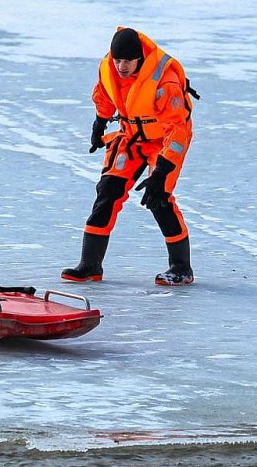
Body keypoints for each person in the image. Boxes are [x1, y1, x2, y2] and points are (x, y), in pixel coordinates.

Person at [62, 27, 199, 286]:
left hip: (166, 141)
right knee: (108, 191)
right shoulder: (108, 67)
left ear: (140, 59)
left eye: (128, 61)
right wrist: (99, 124)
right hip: (131, 137)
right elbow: (104, 95)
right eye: (118, 60)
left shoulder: (164, 80)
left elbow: (177, 131)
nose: (122, 66)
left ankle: (181, 268)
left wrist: (160, 172)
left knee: (159, 199)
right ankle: (90, 264)